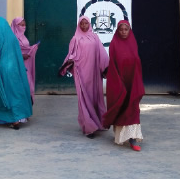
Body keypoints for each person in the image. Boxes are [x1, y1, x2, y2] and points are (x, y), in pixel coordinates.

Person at [59, 16, 109, 138]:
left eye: (86, 23)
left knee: (95, 96)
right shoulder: (75, 38)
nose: (84, 26)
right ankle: (89, 127)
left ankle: (99, 122)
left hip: (94, 72)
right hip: (80, 73)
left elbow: (101, 53)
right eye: (82, 24)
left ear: (90, 24)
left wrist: (106, 67)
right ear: (79, 25)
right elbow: (71, 55)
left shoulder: (94, 37)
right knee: (84, 98)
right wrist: (68, 64)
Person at [0, 17, 32, 130]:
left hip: (2, 69)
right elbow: (18, 54)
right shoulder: (12, 37)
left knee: (0, 93)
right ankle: (16, 120)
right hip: (14, 69)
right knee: (14, 93)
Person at [102, 20, 145, 151]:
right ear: (117, 30)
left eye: (126, 29)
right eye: (121, 30)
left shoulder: (133, 42)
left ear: (129, 30)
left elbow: (136, 62)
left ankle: (133, 138)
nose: (123, 32)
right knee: (121, 107)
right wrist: (118, 83)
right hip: (119, 82)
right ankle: (121, 135)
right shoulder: (114, 44)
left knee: (132, 107)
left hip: (132, 81)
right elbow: (113, 65)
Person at [11, 17, 39, 100]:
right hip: (17, 67)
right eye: (21, 25)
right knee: (20, 87)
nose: (24, 27)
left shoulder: (23, 37)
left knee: (29, 86)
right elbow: (10, 53)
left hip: (26, 65)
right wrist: (21, 56)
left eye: (25, 25)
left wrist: (32, 49)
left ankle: (27, 105)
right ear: (16, 26)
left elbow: (25, 48)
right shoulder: (12, 38)